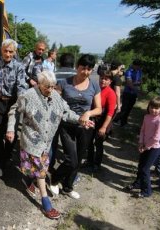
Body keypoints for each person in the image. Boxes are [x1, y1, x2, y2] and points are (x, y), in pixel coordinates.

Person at [6, 71, 94, 219]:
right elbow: (14, 110)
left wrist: (80, 120)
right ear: (39, 84)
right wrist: (10, 129)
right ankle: (46, 202)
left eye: (53, 87)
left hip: (46, 142)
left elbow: (66, 112)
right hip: (32, 140)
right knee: (40, 171)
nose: (50, 90)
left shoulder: (56, 97)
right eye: (47, 87)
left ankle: (28, 180)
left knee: (36, 167)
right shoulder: (28, 95)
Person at [50, 54, 102, 199]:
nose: (85, 71)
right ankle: (54, 179)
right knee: (70, 159)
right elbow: (56, 103)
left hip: (85, 127)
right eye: (83, 68)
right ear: (77, 67)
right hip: (67, 125)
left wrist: (88, 113)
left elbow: (99, 109)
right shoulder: (65, 83)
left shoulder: (94, 85)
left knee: (78, 160)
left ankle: (68, 187)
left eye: (89, 69)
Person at [0, 39, 28, 179]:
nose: (7, 54)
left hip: (12, 103)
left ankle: (7, 156)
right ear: (1, 50)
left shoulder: (19, 66)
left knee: (11, 132)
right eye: (5, 50)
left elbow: (22, 87)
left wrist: (22, 103)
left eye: (11, 51)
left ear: (15, 52)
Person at [124, 97, 160, 198]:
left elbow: (156, 138)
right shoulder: (147, 117)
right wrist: (141, 142)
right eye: (152, 107)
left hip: (154, 148)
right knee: (140, 166)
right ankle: (138, 183)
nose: (153, 110)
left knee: (145, 169)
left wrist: (146, 146)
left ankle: (147, 191)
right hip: (144, 146)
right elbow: (142, 130)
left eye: (156, 108)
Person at [49, 53, 77, 171]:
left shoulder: (53, 75)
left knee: (52, 141)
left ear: (60, 63)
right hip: (71, 114)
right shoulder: (76, 76)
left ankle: (49, 165)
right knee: (69, 144)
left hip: (53, 113)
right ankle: (69, 166)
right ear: (73, 64)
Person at [87, 69, 117, 172]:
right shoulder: (96, 88)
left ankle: (97, 164)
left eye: (106, 79)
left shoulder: (111, 93)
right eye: (102, 78)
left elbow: (110, 113)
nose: (103, 80)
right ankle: (89, 161)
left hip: (103, 121)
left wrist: (104, 127)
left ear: (110, 81)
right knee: (89, 141)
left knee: (98, 143)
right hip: (93, 118)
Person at [113, 59, 143, 127]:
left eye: (139, 67)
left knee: (129, 109)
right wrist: (136, 85)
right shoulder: (129, 71)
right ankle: (116, 120)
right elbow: (129, 84)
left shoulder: (139, 71)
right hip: (127, 92)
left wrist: (136, 85)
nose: (138, 68)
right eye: (137, 66)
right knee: (124, 108)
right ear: (134, 65)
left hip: (134, 93)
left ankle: (123, 122)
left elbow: (140, 82)